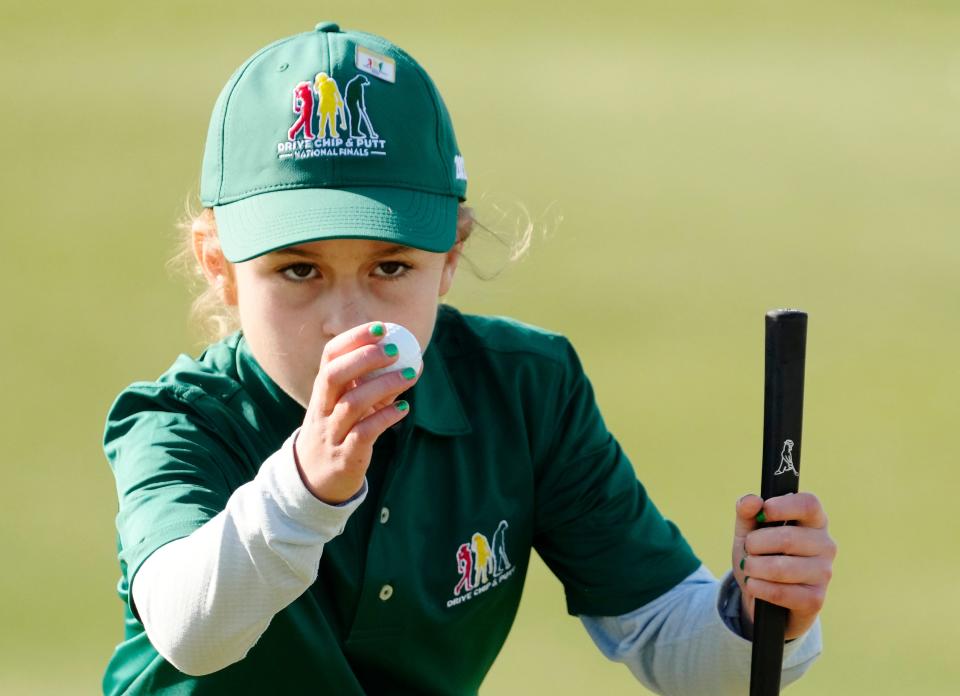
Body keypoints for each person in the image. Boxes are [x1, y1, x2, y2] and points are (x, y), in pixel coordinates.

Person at [102, 22, 836, 695]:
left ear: (451, 255)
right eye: (299, 271)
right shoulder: (175, 422)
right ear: (219, 266)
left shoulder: (524, 391)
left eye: (391, 269)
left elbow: (667, 637)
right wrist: (306, 488)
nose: (349, 321)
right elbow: (192, 633)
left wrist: (760, 615)